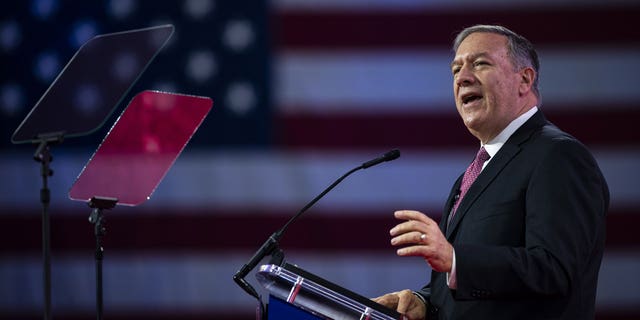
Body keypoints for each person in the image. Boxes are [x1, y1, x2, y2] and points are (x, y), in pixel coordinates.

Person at [373, 25, 609, 319]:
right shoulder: (475, 173)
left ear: (524, 79)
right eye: (456, 69)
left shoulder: (558, 155)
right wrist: (425, 300)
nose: (463, 77)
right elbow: (479, 285)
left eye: (480, 63)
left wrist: (455, 258)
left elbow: (554, 270)